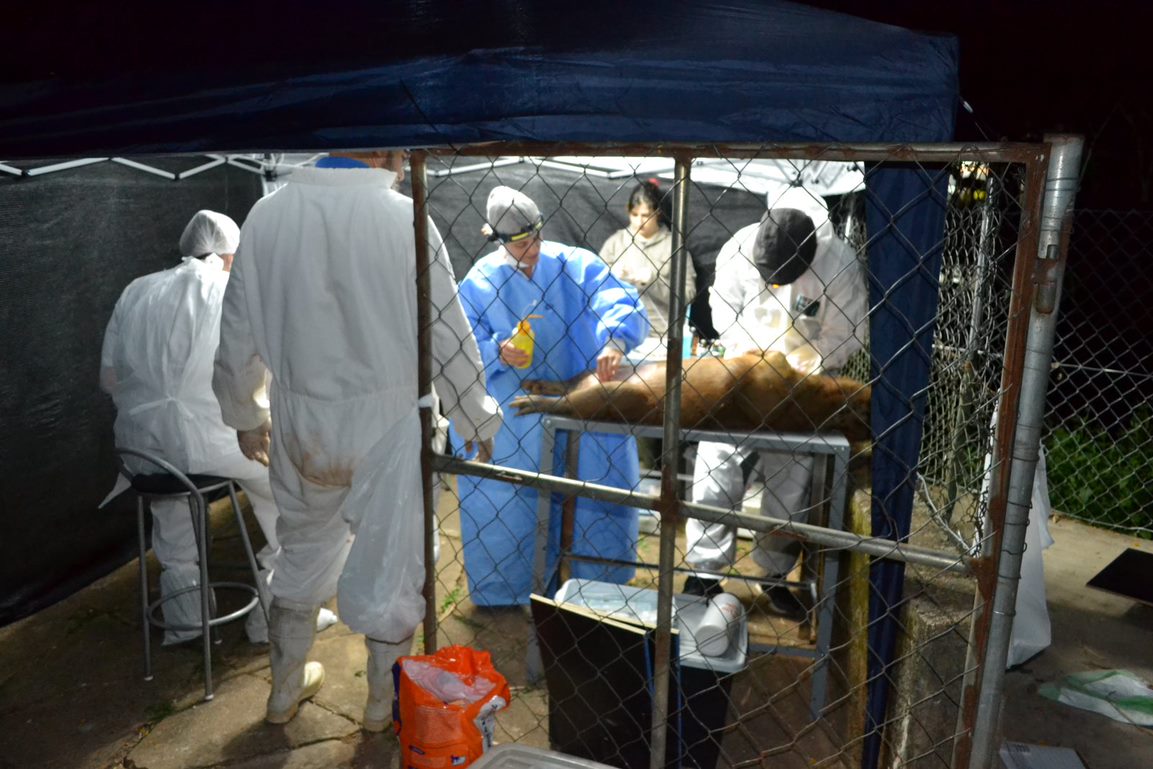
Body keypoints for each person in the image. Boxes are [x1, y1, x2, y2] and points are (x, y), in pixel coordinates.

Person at [212, 151, 502, 729]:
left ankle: (282, 691)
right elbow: (445, 329)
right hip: (390, 421)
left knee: (300, 550)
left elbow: (237, 324)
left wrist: (245, 412)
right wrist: (476, 417)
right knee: (393, 563)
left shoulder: (266, 217)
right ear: (384, 153)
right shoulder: (404, 220)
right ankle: (378, 704)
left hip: (302, 420)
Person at [99, 210, 335, 646]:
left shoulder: (137, 291)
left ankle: (186, 623)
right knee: (287, 499)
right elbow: (268, 371)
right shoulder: (235, 289)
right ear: (233, 255)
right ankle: (274, 617)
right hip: (224, 442)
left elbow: (109, 379)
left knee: (172, 515)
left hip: (144, 452)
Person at [450, 185, 650, 607]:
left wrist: (614, 341)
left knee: (598, 488)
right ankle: (508, 591)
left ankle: (599, 589)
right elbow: (458, 340)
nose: (533, 248)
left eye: (537, 237)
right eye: (522, 243)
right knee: (508, 497)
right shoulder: (480, 281)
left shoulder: (575, 264)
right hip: (514, 402)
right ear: (499, 240)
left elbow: (616, 296)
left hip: (584, 393)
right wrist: (495, 350)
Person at [683, 186, 868, 618]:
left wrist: (803, 368)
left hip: (803, 384)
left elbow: (848, 333)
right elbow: (723, 307)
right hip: (744, 376)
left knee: (792, 481)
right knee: (716, 466)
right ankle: (705, 572)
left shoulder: (838, 263)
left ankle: (773, 573)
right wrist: (748, 356)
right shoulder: (740, 247)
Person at [599, 179, 697, 342]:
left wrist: (654, 281)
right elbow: (593, 288)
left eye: (645, 215)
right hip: (620, 333)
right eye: (634, 215)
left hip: (662, 336)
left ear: (657, 213)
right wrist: (611, 276)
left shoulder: (674, 247)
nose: (639, 221)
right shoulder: (615, 243)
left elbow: (688, 295)